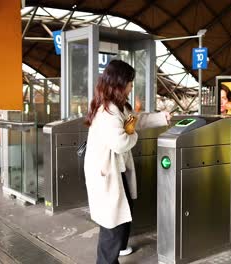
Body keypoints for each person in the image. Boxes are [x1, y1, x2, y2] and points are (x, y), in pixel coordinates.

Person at [84, 60, 171, 264]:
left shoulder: (117, 107)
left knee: (124, 211)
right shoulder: (108, 112)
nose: (132, 87)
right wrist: (132, 136)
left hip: (117, 169)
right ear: (119, 83)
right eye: (130, 83)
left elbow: (135, 120)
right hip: (106, 172)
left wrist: (161, 118)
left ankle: (120, 248)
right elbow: (121, 142)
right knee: (111, 224)